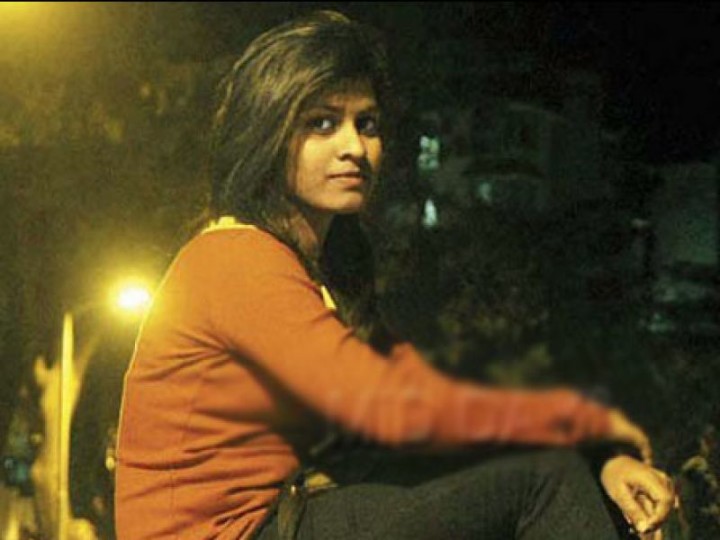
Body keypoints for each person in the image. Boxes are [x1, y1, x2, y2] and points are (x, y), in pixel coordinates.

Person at [115, 10, 674, 540]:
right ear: (267, 133)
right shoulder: (237, 259)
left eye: (368, 124)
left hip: (277, 521)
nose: (354, 148)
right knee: (538, 474)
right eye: (321, 124)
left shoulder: (316, 272)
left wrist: (598, 459)